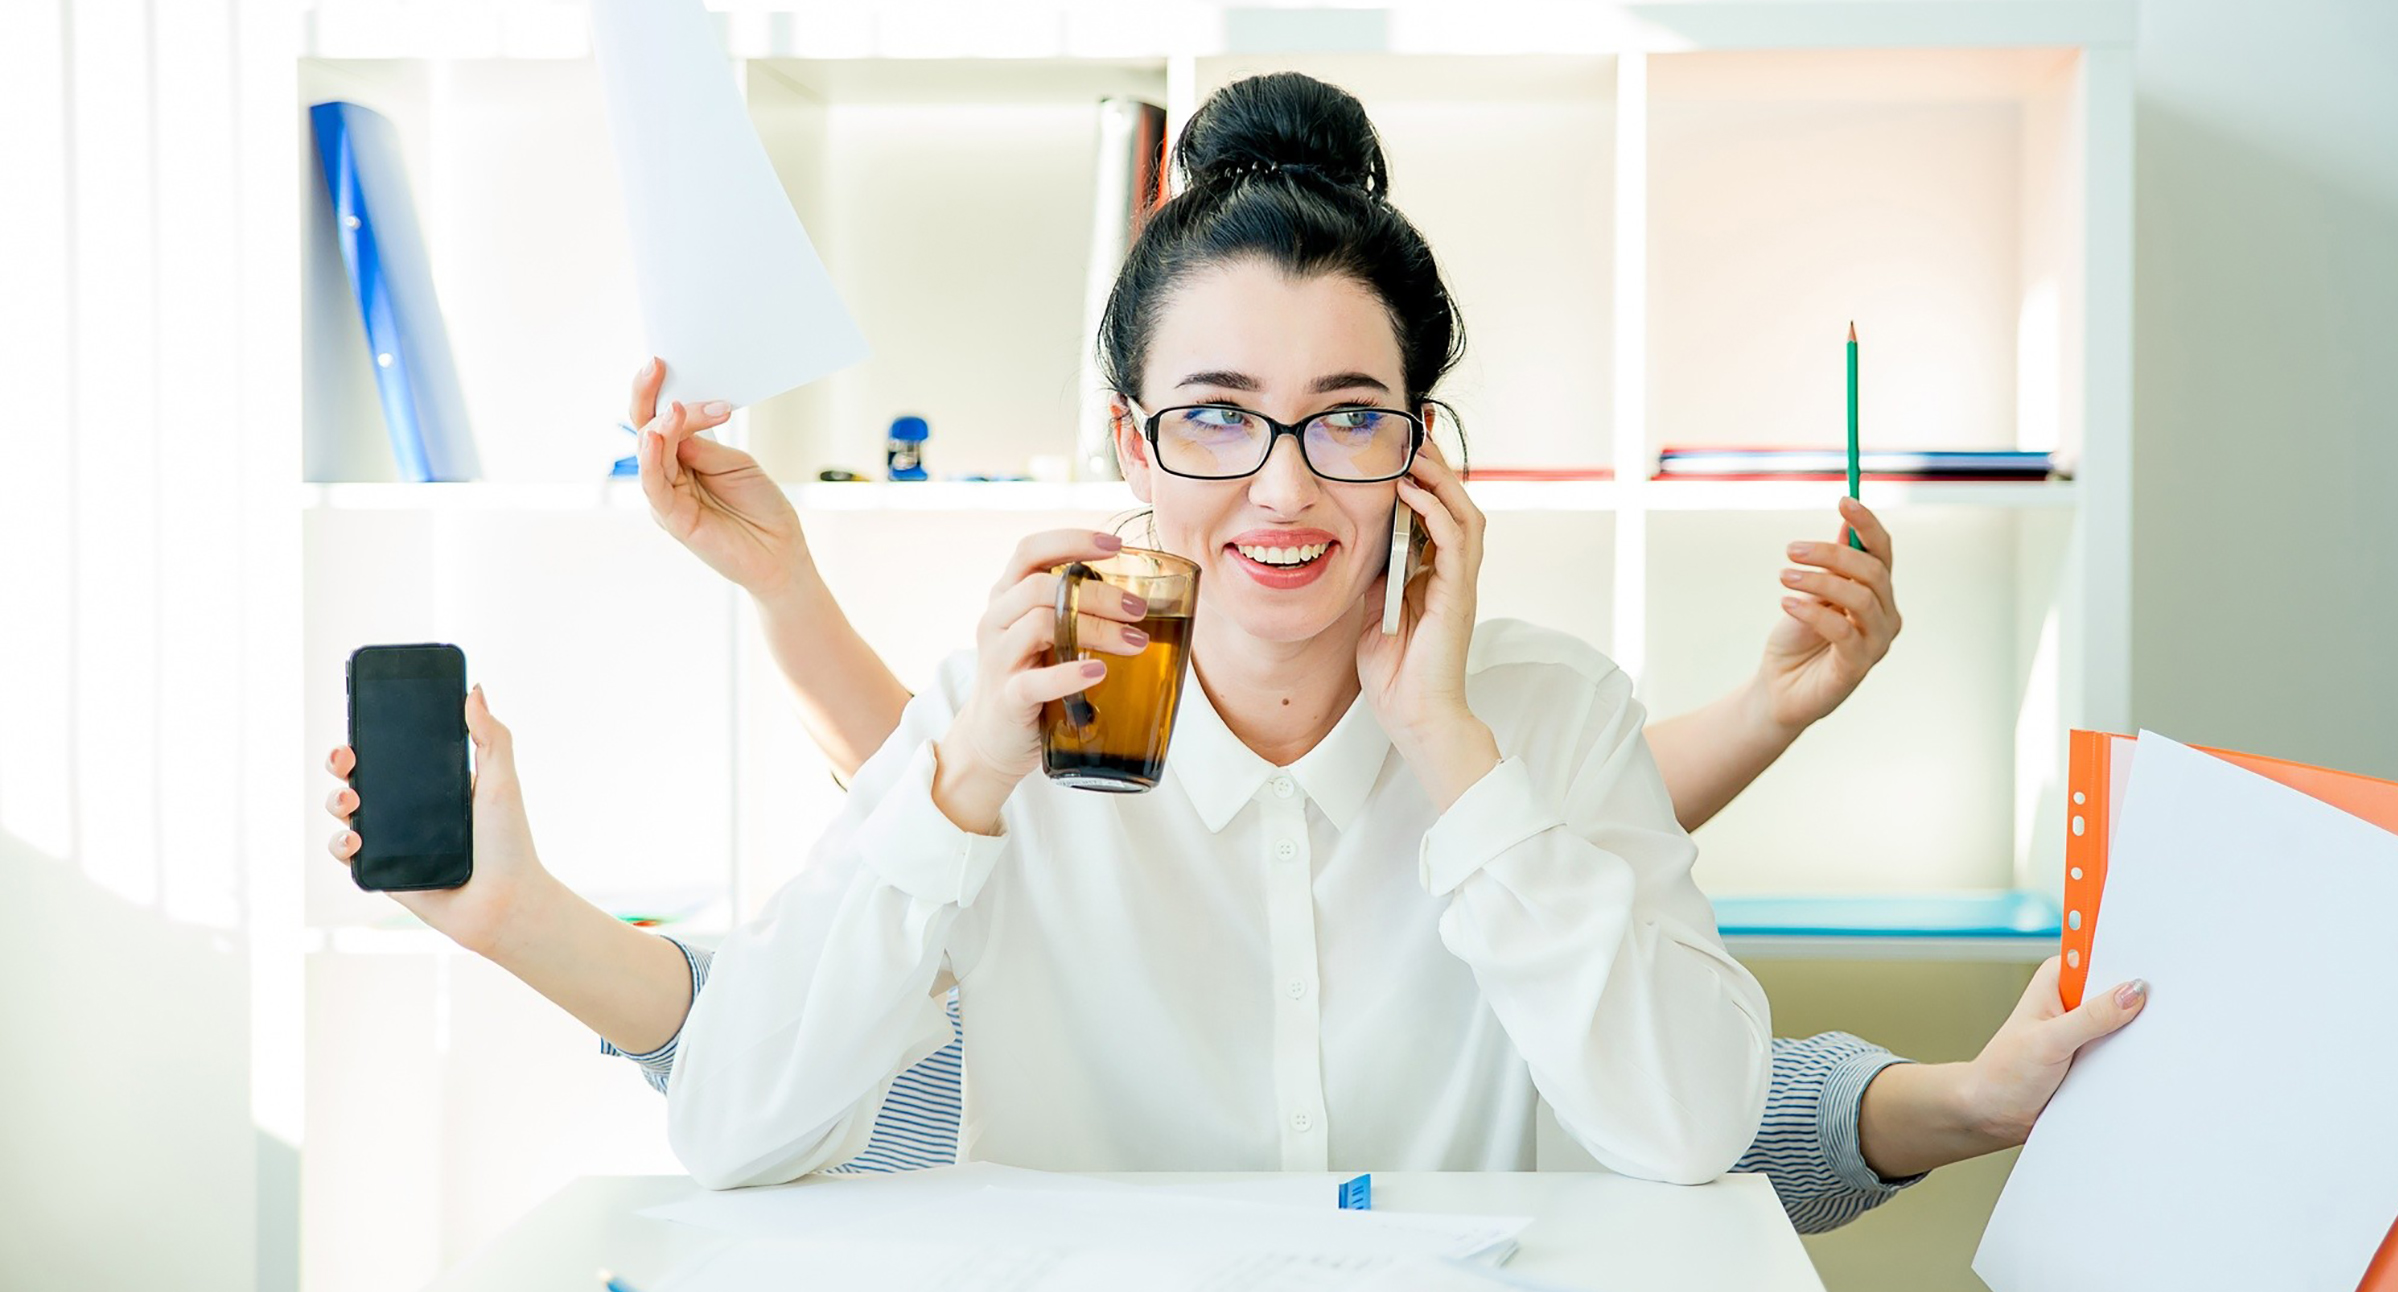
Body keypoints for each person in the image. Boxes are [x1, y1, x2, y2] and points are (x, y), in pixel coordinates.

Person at [320, 73, 2145, 1224]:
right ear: (1132, 445)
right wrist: (951, 786)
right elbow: (738, 1125)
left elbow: (1687, 1131)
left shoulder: (1547, 719)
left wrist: (1448, 748)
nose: (1284, 484)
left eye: (1349, 415)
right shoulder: (1021, 716)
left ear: (1426, 446)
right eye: (1215, 415)